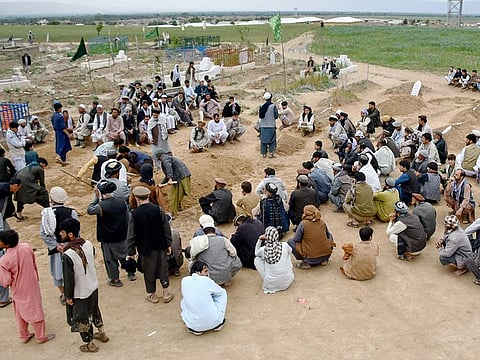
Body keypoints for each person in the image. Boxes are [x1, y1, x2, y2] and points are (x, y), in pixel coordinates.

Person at [60, 218, 109, 353]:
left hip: (80, 292)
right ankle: (102, 332)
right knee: (94, 310)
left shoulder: (68, 254)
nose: (60, 234)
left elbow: (68, 279)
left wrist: (68, 296)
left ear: (70, 234)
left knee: (81, 318)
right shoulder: (87, 244)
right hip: (92, 285)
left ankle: (90, 344)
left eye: (62, 232)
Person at [0, 229, 55, 344]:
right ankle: (40, 336)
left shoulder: (4, 260)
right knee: (35, 308)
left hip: (17, 287)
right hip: (31, 283)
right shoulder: (26, 247)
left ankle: (24, 335)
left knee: (19, 309)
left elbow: (5, 281)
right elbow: (34, 263)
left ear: (7, 244)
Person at [128, 186, 174, 303]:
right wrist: (168, 243)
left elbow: (131, 235)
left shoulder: (133, 214)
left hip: (144, 248)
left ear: (137, 199)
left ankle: (152, 294)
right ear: (148, 196)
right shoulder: (158, 209)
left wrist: (131, 252)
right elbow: (166, 228)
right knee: (163, 268)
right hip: (160, 245)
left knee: (148, 270)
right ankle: (166, 293)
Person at [40, 186, 78, 305]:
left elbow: (43, 233)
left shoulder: (47, 214)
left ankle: (63, 293)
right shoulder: (72, 212)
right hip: (71, 247)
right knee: (73, 269)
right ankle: (73, 292)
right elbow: (77, 231)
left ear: (52, 199)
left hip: (56, 249)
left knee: (58, 272)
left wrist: (56, 245)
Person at [87, 180, 129, 286]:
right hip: (121, 234)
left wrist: (96, 197)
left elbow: (89, 210)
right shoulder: (121, 202)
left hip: (107, 237)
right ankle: (131, 273)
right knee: (124, 256)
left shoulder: (101, 206)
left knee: (110, 260)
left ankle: (115, 280)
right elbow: (127, 217)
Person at [187, 217, 242, 286]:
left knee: (191, 263)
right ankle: (227, 278)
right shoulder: (223, 240)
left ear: (204, 232)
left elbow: (193, 257)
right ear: (215, 231)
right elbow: (233, 253)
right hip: (224, 273)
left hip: (208, 275)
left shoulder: (199, 242)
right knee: (236, 259)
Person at [180, 261, 227, 336]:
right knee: (222, 293)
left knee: (184, 301)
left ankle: (195, 327)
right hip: (215, 322)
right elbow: (221, 292)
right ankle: (218, 321)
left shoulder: (184, 280)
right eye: (205, 271)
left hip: (194, 326)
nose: (207, 274)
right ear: (197, 272)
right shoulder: (206, 280)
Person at [254, 226, 294, 294]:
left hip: (270, 285)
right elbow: (290, 250)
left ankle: (268, 276)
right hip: (287, 282)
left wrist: (260, 239)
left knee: (257, 259)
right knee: (287, 253)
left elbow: (256, 253)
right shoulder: (284, 245)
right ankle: (285, 275)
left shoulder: (264, 249)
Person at [155, 150, 191, 216]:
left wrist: (170, 178)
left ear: (159, 157)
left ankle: (173, 213)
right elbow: (167, 176)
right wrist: (162, 184)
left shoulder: (165, 159)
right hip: (184, 176)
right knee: (179, 193)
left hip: (180, 177)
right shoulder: (169, 158)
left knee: (173, 196)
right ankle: (178, 205)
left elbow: (169, 167)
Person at [258, 92, 279, 158]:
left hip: (263, 126)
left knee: (263, 140)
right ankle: (271, 153)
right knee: (272, 140)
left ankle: (264, 154)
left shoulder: (261, 106)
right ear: (271, 98)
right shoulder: (273, 106)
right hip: (271, 126)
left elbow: (260, 116)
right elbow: (276, 116)